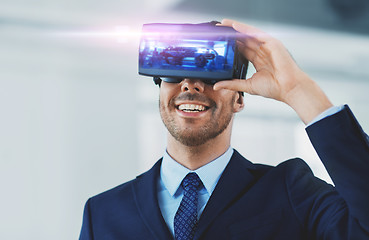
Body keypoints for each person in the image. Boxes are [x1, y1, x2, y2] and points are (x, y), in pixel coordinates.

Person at [79, 19, 369, 239]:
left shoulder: (290, 189)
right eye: (173, 71)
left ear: (239, 99)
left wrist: (297, 89)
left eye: (208, 73)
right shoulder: (102, 213)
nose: (190, 84)